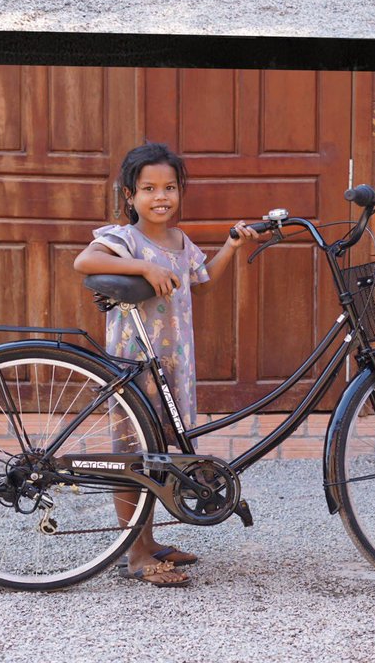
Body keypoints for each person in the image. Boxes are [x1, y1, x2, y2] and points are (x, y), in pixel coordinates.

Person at [73, 142, 263, 588]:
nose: (161, 197)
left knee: (158, 452)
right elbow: (84, 260)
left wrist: (232, 246)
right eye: (149, 188)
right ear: (129, 195)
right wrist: (142, 266)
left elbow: (204, 281)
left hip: (173, 364)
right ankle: (135, 554)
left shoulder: (181, 241)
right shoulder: (124, 239)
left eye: (170, 187)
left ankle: (149, 539)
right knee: (132, 455)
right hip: (135, 365)